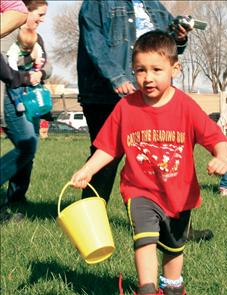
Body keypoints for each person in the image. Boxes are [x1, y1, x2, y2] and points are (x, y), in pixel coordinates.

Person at [70, 31, 227, 295]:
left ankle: (171, 286)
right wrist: (87, 170)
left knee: (173, 247)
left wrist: (221, 156)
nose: (148, 77)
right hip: (140, 191)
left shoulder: (186, 107)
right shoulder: (125, 108)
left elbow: (215, 137)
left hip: (179, 194)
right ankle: (146, 288)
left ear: (174, 69)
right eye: (140, 70)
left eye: (156, 69)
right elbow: (108, 148)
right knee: (144, 239)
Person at [77, 0, 214, 241]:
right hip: (107, 93)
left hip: (148, 95)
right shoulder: (98, 3)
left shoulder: (154, 6)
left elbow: (165, 50)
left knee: (161, 158)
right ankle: (89, 229)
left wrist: (179, 38)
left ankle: (177, 227)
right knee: (105, 159)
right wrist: (116, 77)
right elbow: (94, 42)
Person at [0, 0, 49, 208]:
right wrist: (26, 73)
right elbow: (6, 69)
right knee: (27, 145)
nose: (42, 20)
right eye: (39, 14)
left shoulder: (38, 38)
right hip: (12, 95)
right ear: (25, 12)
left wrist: (41, 72)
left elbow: (49, 64)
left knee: (30, 147)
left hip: (32, 98)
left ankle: (16, 198)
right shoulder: (8, 33)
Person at [6, 27, 46, 112]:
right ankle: (18, 101)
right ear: (19, 42)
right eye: (25, 48)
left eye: (30, 48)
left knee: (37, 81)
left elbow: (40, 53)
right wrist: (17, 75)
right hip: (18, 70)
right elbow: (12, 62)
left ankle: (40, 98)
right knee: (14, 85)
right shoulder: (15, 48)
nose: (28, 50)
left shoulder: (35, 45)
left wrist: (38, 61)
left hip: (30, 68)